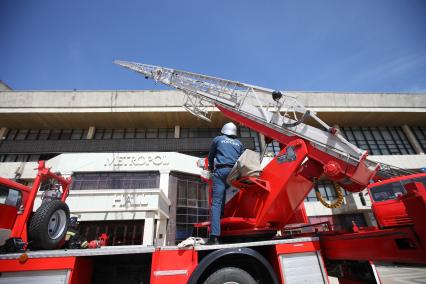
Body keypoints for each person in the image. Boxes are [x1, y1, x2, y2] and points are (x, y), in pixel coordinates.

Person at [206, 122, 244, 245]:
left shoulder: (218, 139)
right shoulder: (239, 143)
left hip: (221, 171)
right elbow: (241, 160)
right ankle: (225, 224)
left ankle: (214, 236)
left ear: (224, 130)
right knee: (224, 198)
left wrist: (211, 168)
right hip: (233, 174)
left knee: (216, 202)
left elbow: (211, 156)